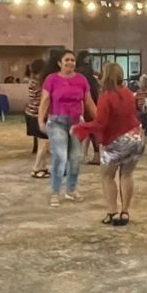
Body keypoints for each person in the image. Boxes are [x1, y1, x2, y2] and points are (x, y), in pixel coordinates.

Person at [71, 62, 144, 226]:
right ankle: (125, 212)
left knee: (107, 176)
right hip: (136, 136)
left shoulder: (106, 95)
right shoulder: (128, 92)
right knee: (127, 175)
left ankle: (112, 212)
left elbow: (100, 123)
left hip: (116, 139)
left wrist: (81, 127)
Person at [38, 49, 97, 207]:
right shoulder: (51, 79)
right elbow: (45, 100)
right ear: (59, 63)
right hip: (56, 121)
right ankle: (55, 192)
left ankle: (71, 190)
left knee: (75, 158)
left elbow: (89, 102)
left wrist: (99, 119)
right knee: (60, 156)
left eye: (72, 60)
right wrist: (40, 120)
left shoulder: (81, 80)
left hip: (76, 123)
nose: (70, 63)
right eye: (67, 60)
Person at [24, 58, 51, 179]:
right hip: (37, 114)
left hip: (31, 113)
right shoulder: (40, 83)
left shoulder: (32, 80)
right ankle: (36, 168)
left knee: (42, 143)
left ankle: (42, 167)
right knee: (44, 143)